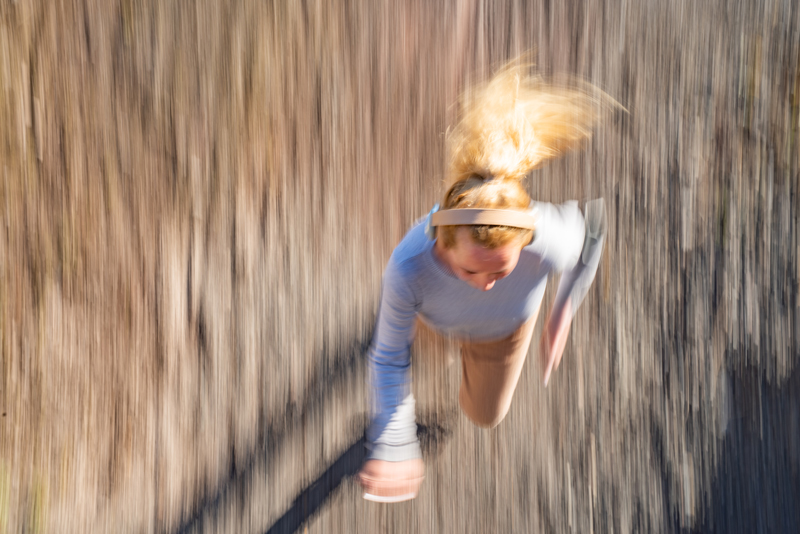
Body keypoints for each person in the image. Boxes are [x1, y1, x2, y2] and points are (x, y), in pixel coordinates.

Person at [358, 62, 617, 503]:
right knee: (408, 348)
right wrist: (395, 443)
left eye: (501, 271)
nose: (486, 284)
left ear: (525, 240)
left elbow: (590, 235)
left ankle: (467, 361)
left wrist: (562, 311)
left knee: (484, 414)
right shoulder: (408, 267)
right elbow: (387, 358)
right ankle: (436, 341)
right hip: (432, 317)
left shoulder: (546, 239)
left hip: (503, 334)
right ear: (442, 240)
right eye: (469, 270)